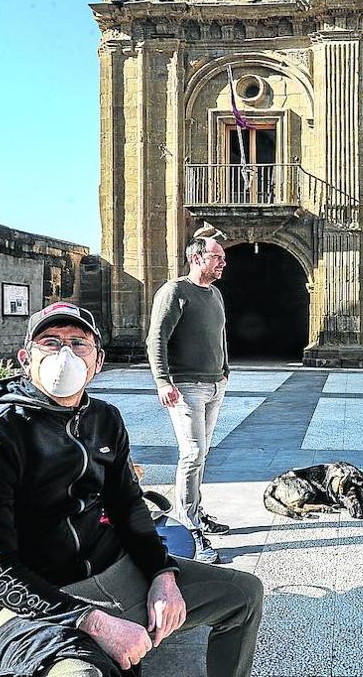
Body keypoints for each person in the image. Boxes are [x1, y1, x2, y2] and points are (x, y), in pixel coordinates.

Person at [0, 302, 263, 677]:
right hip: (31, 600)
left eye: (78, 343)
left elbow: (129, 508)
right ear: (25, 359)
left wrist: (163, 575)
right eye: (50, 342)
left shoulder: (103, 419)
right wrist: (95, 622)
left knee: (243, 595)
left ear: (97, 361)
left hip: (111, 570)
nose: (65, 353)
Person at [146, 237, 231, 564]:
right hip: (185, 386)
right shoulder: (174, 292)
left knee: (202, 452)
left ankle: (196, 509)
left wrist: (225, 370)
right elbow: (156, 339)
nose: (223, 262)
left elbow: (220, 334)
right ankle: (189, 524)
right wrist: (163, 381)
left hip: (213, 385)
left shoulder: (215, 294)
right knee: (193, 452)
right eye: (217, 257)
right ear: (197, 258)